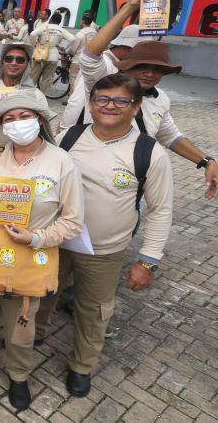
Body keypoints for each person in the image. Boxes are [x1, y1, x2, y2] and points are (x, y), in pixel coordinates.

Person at [35, 73, 173, 397]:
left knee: (94, 309)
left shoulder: (149, 153)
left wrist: (148, 262)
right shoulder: (69, 136)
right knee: (41, 292)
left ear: (136, 107)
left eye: (121, 100)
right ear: (91, 103)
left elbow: (160, 210)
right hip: (56, 240)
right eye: (102, 99)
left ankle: (82, 365)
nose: (110, 106)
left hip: (104, 250)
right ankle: (34, 333)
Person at [0, 90, 84, 410]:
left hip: (30, 255)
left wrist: (36, 238)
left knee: (21, 322)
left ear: (40, 120)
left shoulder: (61, 161)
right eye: (9, 119)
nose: (17, 124)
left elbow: (73, 223)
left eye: (25, 117)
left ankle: (18, 375)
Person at [76, 0, 217, 199]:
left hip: (130, 181)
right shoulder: (104, 84)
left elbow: (170, 136)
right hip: (87, 174)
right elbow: (89, 57)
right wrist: (129, 8)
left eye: (158, 69)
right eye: (143, 67)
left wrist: (207, 160)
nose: (150, 74)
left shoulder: (161, 99)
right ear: (127, 66)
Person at [58, 24, 141, 130]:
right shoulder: (105, 64)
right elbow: (78, 98)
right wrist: (65, 128)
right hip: (81, 124)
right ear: (126, 47)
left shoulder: (116, 64)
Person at [29, 11, 75, 94]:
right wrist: (65, 49)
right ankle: (42, 97)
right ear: (59, 22)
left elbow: (32, 34)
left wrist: (35, 45)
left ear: (51, 19)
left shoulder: (44, 27)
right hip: (53, 56)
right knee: (47, 79)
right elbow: (73, 39)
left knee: (33, 77)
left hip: (40, 55)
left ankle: (27, 95)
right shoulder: (61, 30)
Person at [65, 11, 98, 91]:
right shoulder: (95, 33)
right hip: (91, 61)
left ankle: (72, 100)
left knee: (73, 80)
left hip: (78, 61)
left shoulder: (80, 34)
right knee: (84, 82)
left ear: (82, 21)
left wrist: (66, 52)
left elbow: (73, 49)